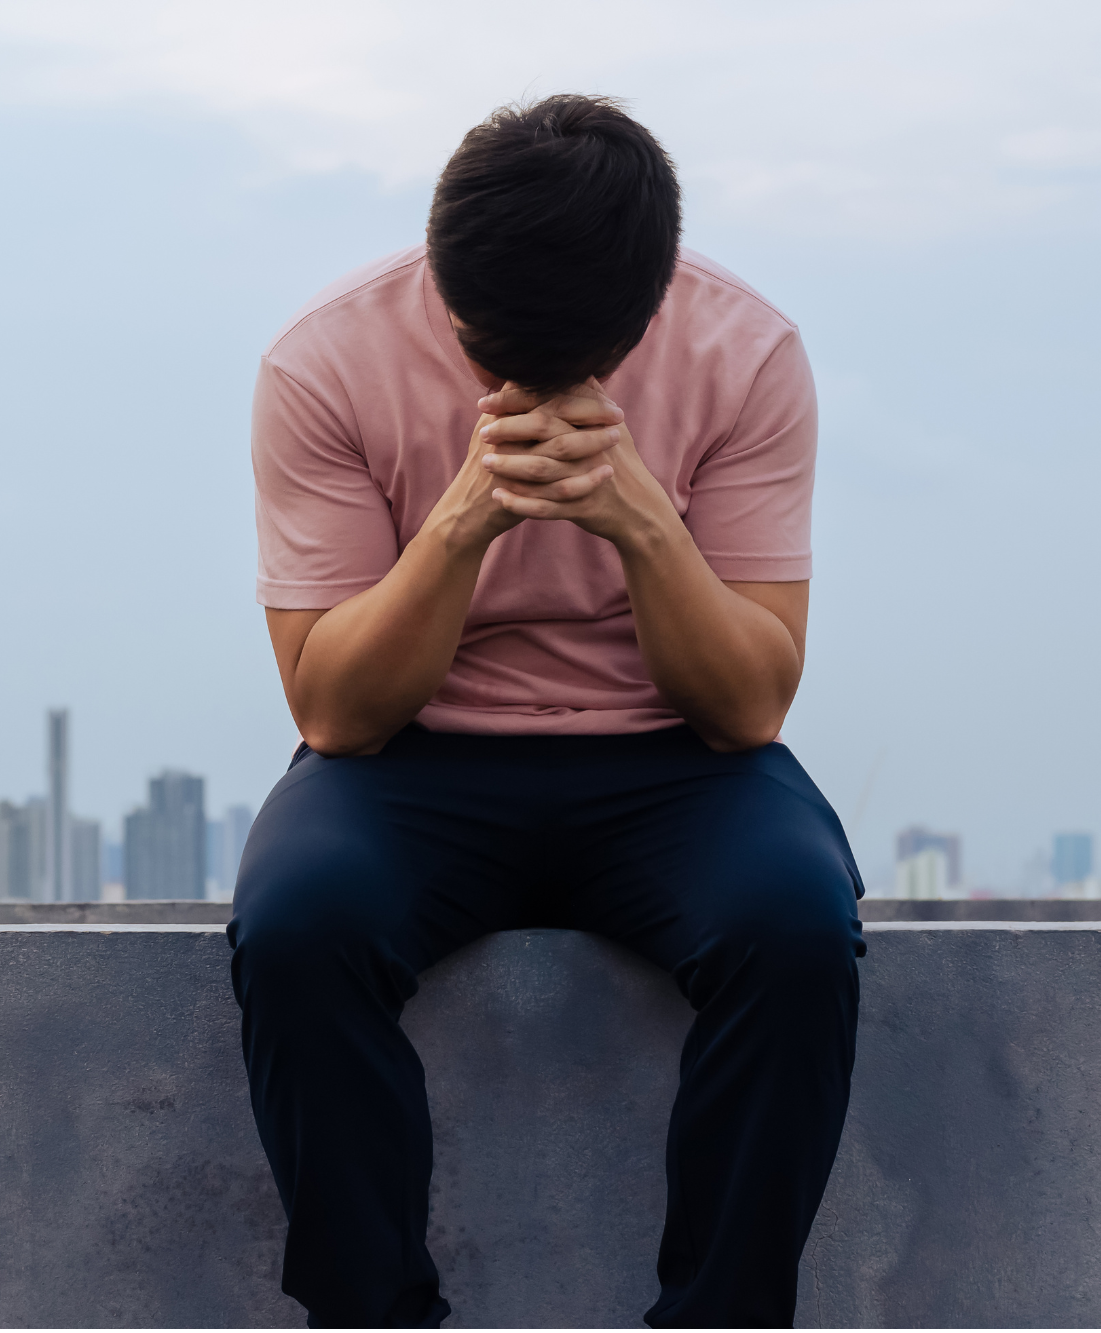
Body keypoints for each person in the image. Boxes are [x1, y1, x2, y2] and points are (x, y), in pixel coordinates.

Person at [230, 94, 864, 1329]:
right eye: (485, 357)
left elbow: (746, 707)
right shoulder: (322, 362)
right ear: (443, 283)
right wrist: (463, 520)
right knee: (298, 930)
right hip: (408, 761)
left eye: (565, 367)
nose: (521, 390)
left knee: (795, 934)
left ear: (642, 315)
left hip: (677, 762)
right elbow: (333, 714)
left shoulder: (742, 352)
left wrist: (639, 520)